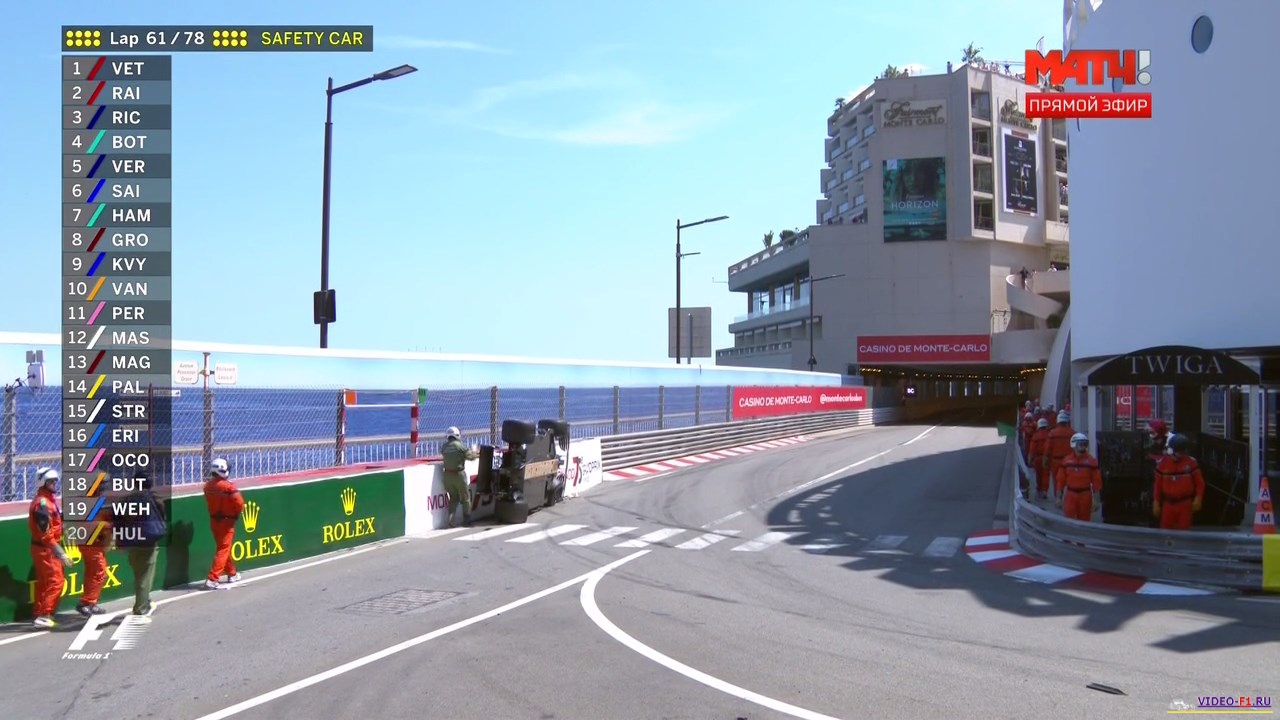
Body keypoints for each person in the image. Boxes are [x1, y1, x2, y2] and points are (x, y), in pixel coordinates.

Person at [116, 473, 166, 618]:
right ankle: (141, 608)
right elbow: (161, 515)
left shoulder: (125, 500)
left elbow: (119, 521)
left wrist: (120, 541)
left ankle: (146, 600)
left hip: (132, 542)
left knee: (139, 574)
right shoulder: (153, 498)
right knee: (145, 577)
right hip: (148, 542)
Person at [28, 467, 71, 627]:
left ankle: (40, 613)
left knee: (44, 582)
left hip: (43, 547)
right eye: (50, 481)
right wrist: (61, 553)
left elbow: (53, 524)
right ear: (42, 483)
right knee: (56, 581)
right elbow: (46, 535)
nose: (54, 484)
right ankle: (45, 615)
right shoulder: (42, 504)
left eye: (55, 481)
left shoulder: (48, 501)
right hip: (46, 549)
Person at [203, 458, 245, 589]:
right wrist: (236, 513)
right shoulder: (228, 487)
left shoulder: (207, 486)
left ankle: (232, 573)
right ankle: (213, 578)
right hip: (227, 522)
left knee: (223, 548)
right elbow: (240, 503)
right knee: (223, 549)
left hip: (214, 521)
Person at [1153, 434, 1205, 530]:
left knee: (1183, 533)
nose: (1182, 455)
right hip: (1168, 504)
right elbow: (1157, 485)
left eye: (1183, 452)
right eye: (1179, 452)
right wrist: (1156, 502)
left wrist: (1198, 498)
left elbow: (1200, 483)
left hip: (1185, 504)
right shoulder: (1162, 464)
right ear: (1171, 450)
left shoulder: (1191, 462)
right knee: (1165, 532)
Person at [77, 498, 112, 616]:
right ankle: (87, 602)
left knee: (93, 573)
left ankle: (90, 602)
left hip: (88, 543)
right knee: (98, 573)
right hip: (92, 545)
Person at [1056, 433, 1102, 521]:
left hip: (1085, 495)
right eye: (1081, 444)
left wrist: (1096, 500)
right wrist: (1058, 498)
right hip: (1070, 495)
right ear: (1073, 444)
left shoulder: (1091, 461)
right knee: (1069, 521)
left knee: (1084, 521)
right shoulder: (1066, 461)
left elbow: (1097, 483)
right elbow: (1060, 481)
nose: (1083, 446)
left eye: (1085, 444)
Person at [440, 427, 478, 527]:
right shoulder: (460, 446)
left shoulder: (444, 447)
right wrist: (475, 452)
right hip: (459, 475)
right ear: (457, 435)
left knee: (453, 498)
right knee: (465, 498)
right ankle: (467, 520)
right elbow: (471, 457)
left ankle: (451, 518)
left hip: (447, 475)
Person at [1046, 410, 1076, 498]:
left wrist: (1045, 459)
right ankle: (1070, 497)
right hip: (1070, 461)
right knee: (1071, 479)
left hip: (1056, 461)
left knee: (1057, 480)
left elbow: (1048, 449)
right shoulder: (1073, 433)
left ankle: (1058, 497)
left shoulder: (1052, 433)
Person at [1029, 418, 1051, 499]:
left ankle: (1039, 489)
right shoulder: (1049, 435)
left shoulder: (1035, 436)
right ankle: (1045, 490)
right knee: (1046, 475)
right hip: (1047, 458)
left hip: (1037, 458)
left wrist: (1030, 459)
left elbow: (1032, 449)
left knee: (1038, 474)